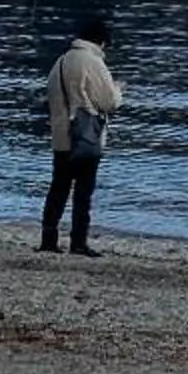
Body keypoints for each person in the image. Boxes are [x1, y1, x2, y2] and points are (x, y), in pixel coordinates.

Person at [41, 14, 121, 256]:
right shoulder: (94, 63)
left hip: (61, 136)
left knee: (58, 189)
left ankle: (49, 238)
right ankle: (78, 241)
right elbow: (108, 102)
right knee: (83, 192)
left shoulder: (61, 62)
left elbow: (53, 96)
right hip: (86, 137)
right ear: (101, 41)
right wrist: (118, 91)